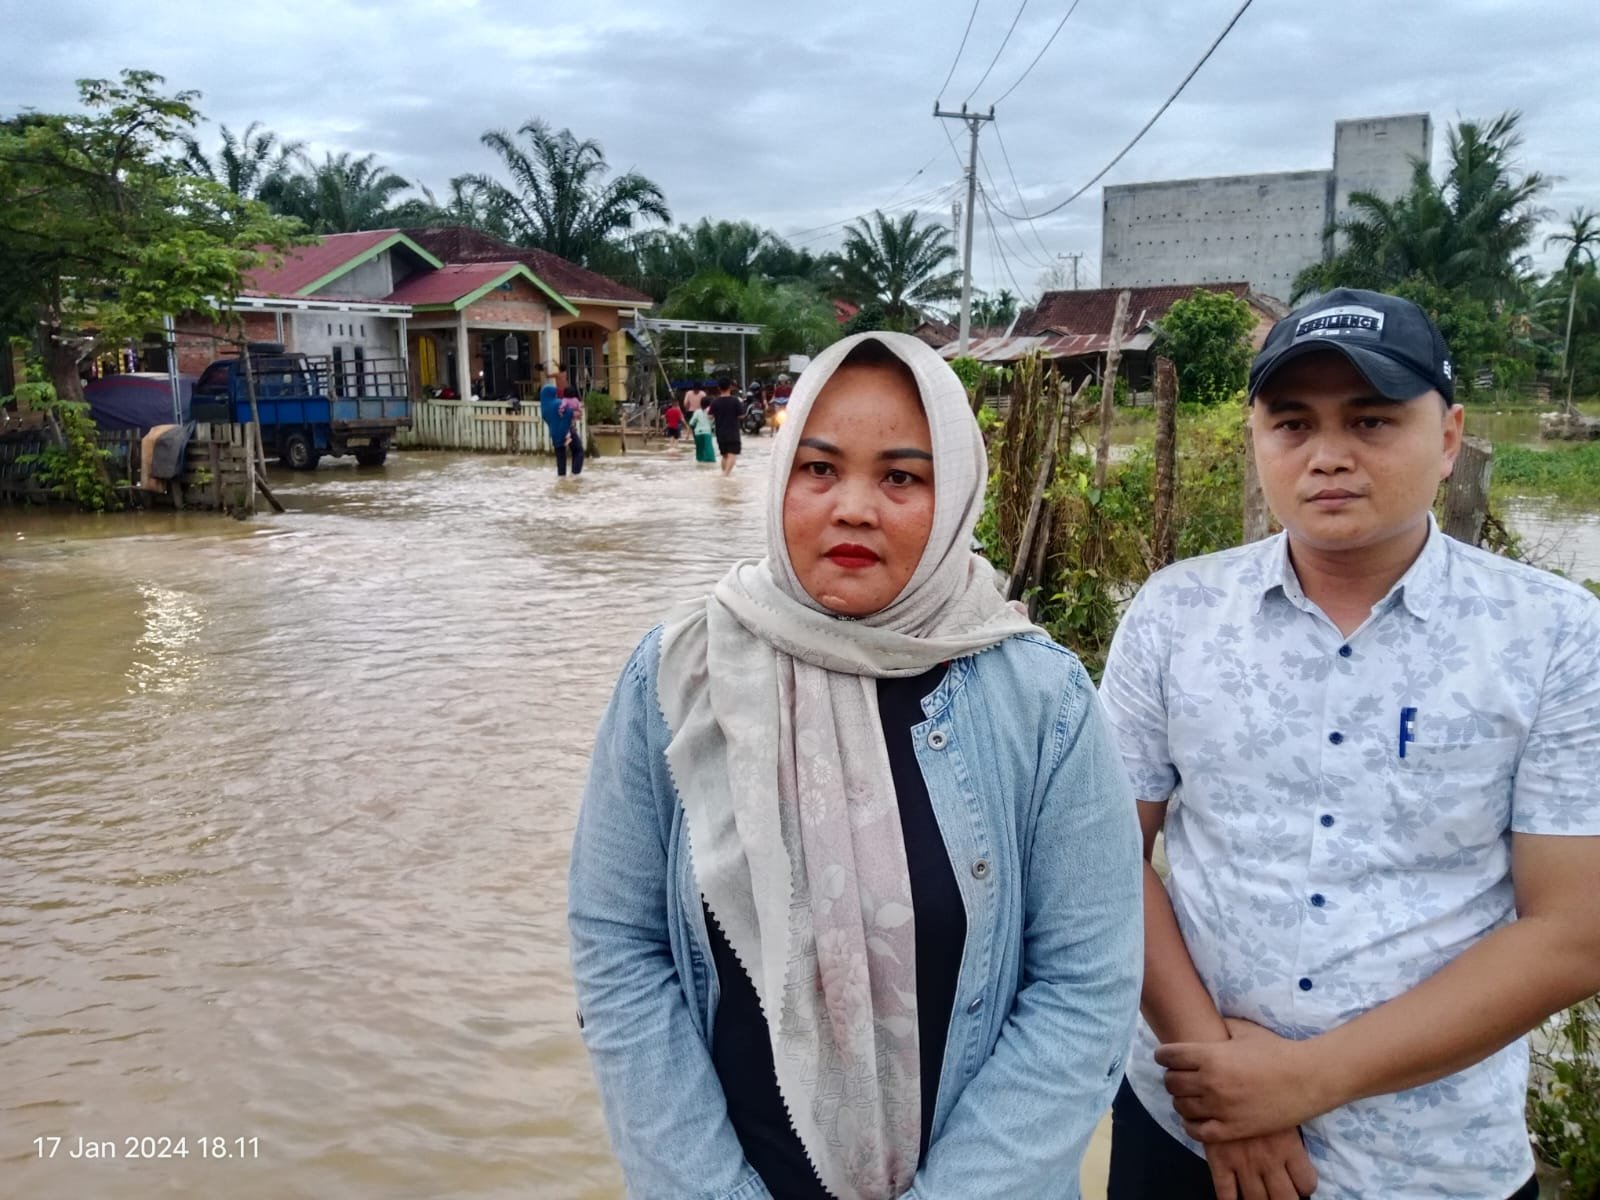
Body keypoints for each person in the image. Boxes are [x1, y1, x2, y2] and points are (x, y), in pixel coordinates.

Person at [569, 331, 1143, 1200]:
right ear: (780, 480)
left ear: (954, 497)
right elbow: (620, 950)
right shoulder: (676, 675)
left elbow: (1084, 988)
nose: (854, 508)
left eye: (902, 477)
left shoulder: (1044, 702)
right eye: (820, 469)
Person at [1098, 288, 1600, 1200]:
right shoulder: (1174, 614)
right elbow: (1102, 856)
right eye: (1293, 423)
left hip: (1434, 1160)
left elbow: (1572, 931)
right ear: (1257, 439)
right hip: (1188, 1126)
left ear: (1448, 438)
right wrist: (1219, 1075)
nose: (1329, 456)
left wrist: (1304, 1079)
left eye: (1371, 420)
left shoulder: (1555, 637)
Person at [707, 377, 744, 475]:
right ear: (730, 387)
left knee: (724, 455)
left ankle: (724, 473)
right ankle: (726, 475)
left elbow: (710, 416)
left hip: (720, 433)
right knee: (732, 454)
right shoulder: (735, 401)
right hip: (733, 432)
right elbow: (741, 415)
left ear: (719, 388)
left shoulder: (715, 402)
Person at [556, 386, 585, 477]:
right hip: (572, 423)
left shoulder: (564, 400)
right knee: (578, 450)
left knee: (574, 449)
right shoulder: (576, 400)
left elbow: (562, 408)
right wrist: (578, 411)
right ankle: (575, 473)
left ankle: (567, 475)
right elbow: (580, 410)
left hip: (564, 427)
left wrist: (561, 412)